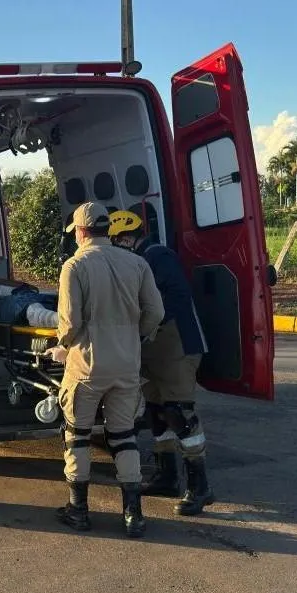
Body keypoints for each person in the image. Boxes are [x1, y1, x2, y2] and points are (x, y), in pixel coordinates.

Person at [47, 202, 164, 537]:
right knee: (124, 436)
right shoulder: (137, 263)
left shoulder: (75, 266)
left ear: (81, 231)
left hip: (86, 366)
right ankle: (133, 515)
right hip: (127, 364)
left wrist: (62, 347)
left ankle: (78, 510)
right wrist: (134, 336)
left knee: (78, 436)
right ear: (107, 229)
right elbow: (155, 311)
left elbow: (69, 323)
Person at [108, 210, 214, 516]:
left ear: (127, 238)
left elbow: (166, 303)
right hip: (153, 348)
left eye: (116, 242)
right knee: (156, 414)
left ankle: (200, 486)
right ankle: (167, 476)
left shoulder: (158, 257)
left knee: (179, 413)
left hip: (176, 346)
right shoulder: (136, 260)